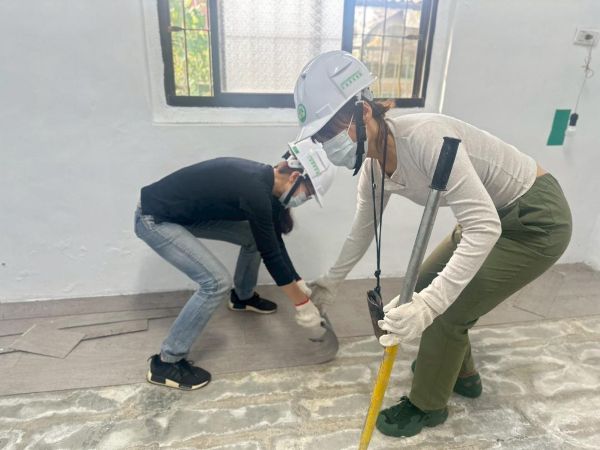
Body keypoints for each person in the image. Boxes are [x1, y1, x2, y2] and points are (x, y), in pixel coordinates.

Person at [294, 51, 572, 437]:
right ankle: (462, 375)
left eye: (331, 131)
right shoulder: (372, 169)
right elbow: (362, 231)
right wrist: (330, 283)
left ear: (364, 112)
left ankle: (427, 405)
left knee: (446, 309)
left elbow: (483, 229)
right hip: (488, 214)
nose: (328, 144)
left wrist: (429, 306)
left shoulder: (425, 138)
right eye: (321, 137)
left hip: (535, 220)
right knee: (424, 286)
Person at [134, 142, 335, 390]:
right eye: (309, 193)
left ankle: (242, 297)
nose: (306, 199)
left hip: (182, 215)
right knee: (215, 282)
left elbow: (272, 240)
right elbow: (271, 255)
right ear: (295, 177)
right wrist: (302, 305)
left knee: (253, 238)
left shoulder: (267, 187)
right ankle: (166, 363)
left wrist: (297, 280)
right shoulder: (254, 188)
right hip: (154, 218)